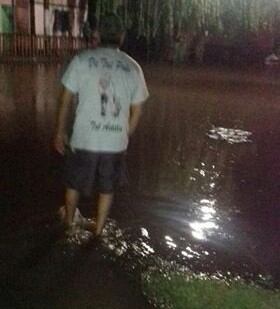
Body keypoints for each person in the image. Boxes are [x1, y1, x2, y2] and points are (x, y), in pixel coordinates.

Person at [54, 13, 149, 237]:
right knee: (107, 186)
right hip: (115, 142)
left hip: (84, 138)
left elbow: (65, 99)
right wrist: (124, 135)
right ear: (121, 37)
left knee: (73, 182)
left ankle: (68, 222)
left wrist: (59, 132)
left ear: (97, 35)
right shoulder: (133, 67)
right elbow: (137, 109)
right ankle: (98, 229)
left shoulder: (81, 60)